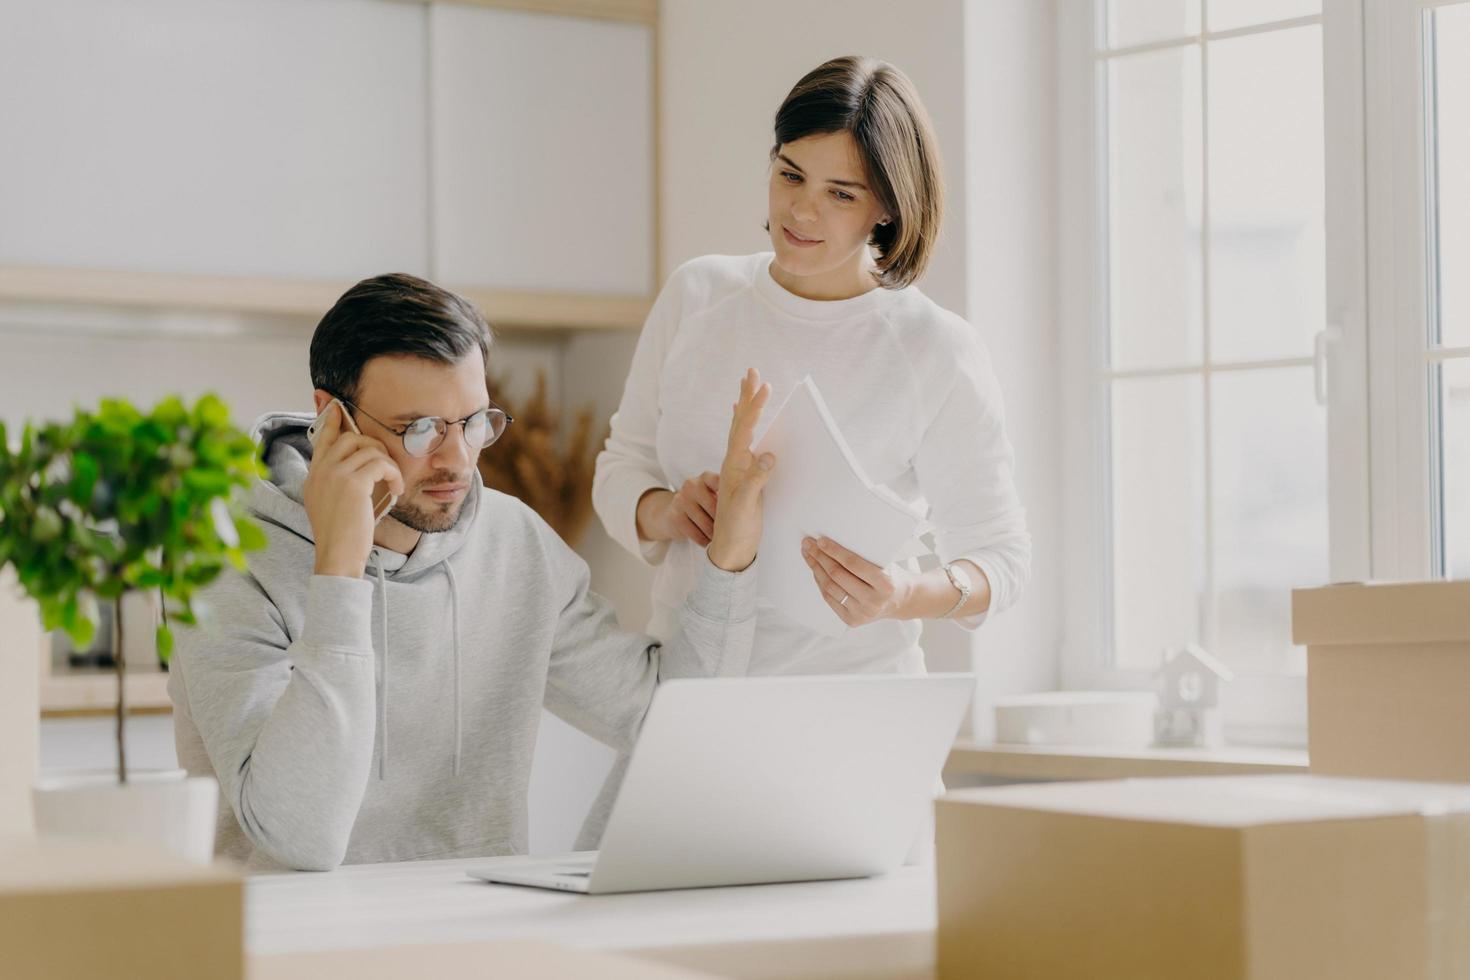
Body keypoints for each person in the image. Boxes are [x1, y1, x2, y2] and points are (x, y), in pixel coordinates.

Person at [169, 273, 775, 871]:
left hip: (479, 937)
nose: (457, 461)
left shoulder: (516, 544)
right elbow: (300, 839)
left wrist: (732, 553)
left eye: (474, 422)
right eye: (420, 430)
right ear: (331, 419)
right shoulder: (224, 557)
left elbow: (669, 719)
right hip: (295, 952)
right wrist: (339, 570)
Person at [586, 56, 1031, 847]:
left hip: (853, 722)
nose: (802, 210)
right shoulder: (698, 297)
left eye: (840, 193)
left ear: (888, 209)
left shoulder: (935, 349)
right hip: (696, 706)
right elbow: (622, 466)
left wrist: (903, 592)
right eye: (790, 175)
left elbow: (1000, 563)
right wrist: (664, 510)